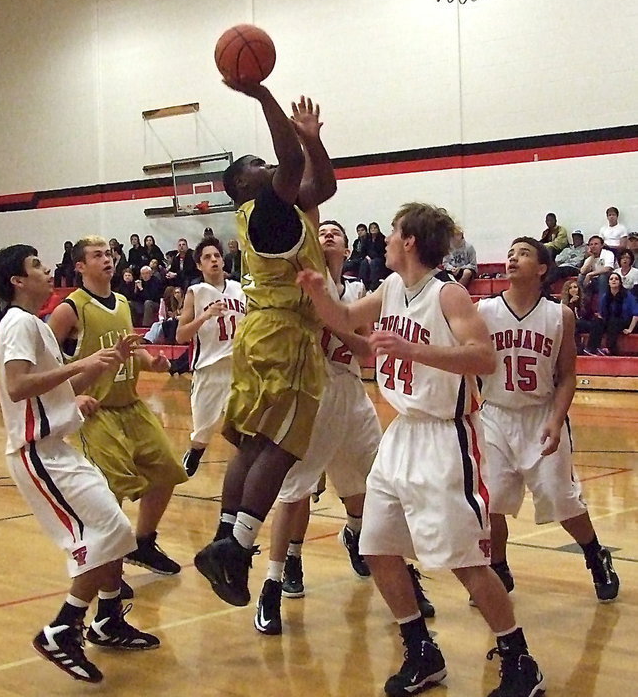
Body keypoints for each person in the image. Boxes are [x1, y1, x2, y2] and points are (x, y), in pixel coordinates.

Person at [297, 203, 544, 697]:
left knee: (467, 562)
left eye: (392, 232)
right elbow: (348, 320)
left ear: (409, 241)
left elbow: (483, 357)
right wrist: (320, 294)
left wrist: (413, 350)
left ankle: (520, 661)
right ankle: (422, 652)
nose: (385, 239)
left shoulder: (447, 293)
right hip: (402, 435)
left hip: (447, 437)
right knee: (378, 547)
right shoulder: (390, 289)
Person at [0, 244, 159, 684]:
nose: (48, 272)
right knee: (107, 533)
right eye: (37, 267)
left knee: (117, 531)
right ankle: (63, 628)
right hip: (37, 454)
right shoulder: (18, 324)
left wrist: (104, 365)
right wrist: (80, 363)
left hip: (59, 448)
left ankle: (104, 620)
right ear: (17, 281)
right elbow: (17, 385)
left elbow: (58, 386)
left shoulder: (35, 326)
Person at [193, 84, 336, 609]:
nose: (266, 164)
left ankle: (224, 537)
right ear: (242, 184)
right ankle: (238, 548)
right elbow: (292, 161)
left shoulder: (278, 212)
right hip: (284, 336)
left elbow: (324, 186)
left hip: (260, 333)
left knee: (252, 442)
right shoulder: (267, 210)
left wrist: (314, 141)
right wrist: (261, 94)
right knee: (282, 444)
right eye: (256, 163)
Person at [253, 220, 384, 636]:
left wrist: (342, 326)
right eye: (322, 230)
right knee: (295, 494)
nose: (328, 234)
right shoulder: (297, 288)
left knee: (369, 485)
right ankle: (274, 579)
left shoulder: (358, 292)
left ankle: (356, 535)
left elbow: (365, 351)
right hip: (308, 393)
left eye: (336, 232)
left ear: (348, 247)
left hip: (349, 391)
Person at [477, 237, 620, 606]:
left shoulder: (560, 316)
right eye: (510, 252)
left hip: (540, 413)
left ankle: (594, 555)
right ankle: (499, 568)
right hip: (494, 413)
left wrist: (557, 421)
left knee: (562, 499)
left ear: (542, 268)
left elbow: (568, 375)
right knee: (491, 503)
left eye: (522, 253)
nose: (512, 257)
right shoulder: (485, 311)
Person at [48, 236, 187, 583]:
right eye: (97, 256)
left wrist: (151, 361)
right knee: (111, 490)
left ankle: (143, 543)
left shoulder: (123, 302)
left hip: (132, 404)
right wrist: (66, 399)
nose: (106, 260)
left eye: (108, 254)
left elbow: (128, 347)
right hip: (96, 411)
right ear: (80, 266)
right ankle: (109, 565)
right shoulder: (70, 308)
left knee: (168, 470)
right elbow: (45, 360)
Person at [176, 238, 246, 476]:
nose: (214, 260)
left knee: (246, 430)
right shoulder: (195, 292)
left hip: (240, 368)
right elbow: (180, 336)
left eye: (217, 255)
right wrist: (204, 316)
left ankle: (249, 467)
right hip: (209, 369)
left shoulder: (240, 289)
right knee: (202, 433)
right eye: (207, 257)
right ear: (199, 265)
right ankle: (194, 452)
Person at [583, 271, 638, 356]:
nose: (614, 280)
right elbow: (602, 314)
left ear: (620, 282)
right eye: (611, 279)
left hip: (625, 322)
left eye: (616, 279)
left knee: (613, 321)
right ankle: (592, 348)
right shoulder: (605, 296)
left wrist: (630, 329)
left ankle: (609, 348)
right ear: (608, 283)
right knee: (597, 321)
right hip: (610, 321)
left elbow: (635, 314)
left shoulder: (628, 295)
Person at [560, 279, 594, 354]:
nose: (573, 290)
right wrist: (571, 304)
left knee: (575, 325)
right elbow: (565, 316)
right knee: (573, 326)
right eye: (570, 288)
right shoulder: (564, 303)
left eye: (575, 287)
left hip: (584, 323)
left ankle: (581, 349)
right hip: (573, 325)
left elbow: (587, 315)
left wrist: (578, 305)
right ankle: (577, 349)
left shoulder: (585, 300)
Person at [577, 235, 614, 300]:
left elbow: (608, 268)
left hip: (608, 280)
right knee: (581, 277)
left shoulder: (608, 253)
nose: (593, 246)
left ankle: (602, 304)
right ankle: (582, 302)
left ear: (602, 245)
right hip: (594, 280)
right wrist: (592, 257)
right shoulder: (590, 258)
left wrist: (590, 274)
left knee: (602, 277)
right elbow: (582, 271)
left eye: (596, 244)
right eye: (591, 244)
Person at [359, 221, 388, 291]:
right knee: (364, 262)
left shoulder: (382, 238)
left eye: (375, 228)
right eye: (371, 228)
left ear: (378, 229)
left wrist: (372, 258)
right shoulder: (367, 238)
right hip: (368, 257)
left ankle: (373, 284)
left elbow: (382, 252)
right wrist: (367, 257)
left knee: (374, 263)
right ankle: (362, 283)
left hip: (379, 258)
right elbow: (363, 251)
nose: (373, 229)